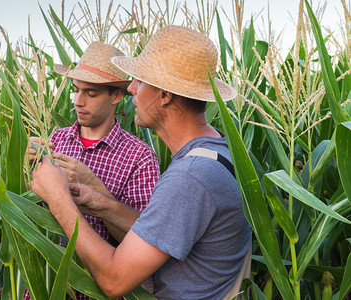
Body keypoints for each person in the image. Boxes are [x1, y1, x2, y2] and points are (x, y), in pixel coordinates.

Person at [31, 25, 251, 299]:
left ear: (165, 95)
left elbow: (114, 281)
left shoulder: (190, 178)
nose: (132, 88)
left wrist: (59, 199)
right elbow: (165, 228)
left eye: (141, 80)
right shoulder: (216, 150)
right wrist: (104, 206)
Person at [24, 42, 160, 300]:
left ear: (117, 96)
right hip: (45, 287)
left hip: (98, 292)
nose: (78, 102)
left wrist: (95, 186)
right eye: (75, 91)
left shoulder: (139, 157)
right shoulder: (55, 139)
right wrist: (22, 165)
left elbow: (141, 242)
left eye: (91, 93)